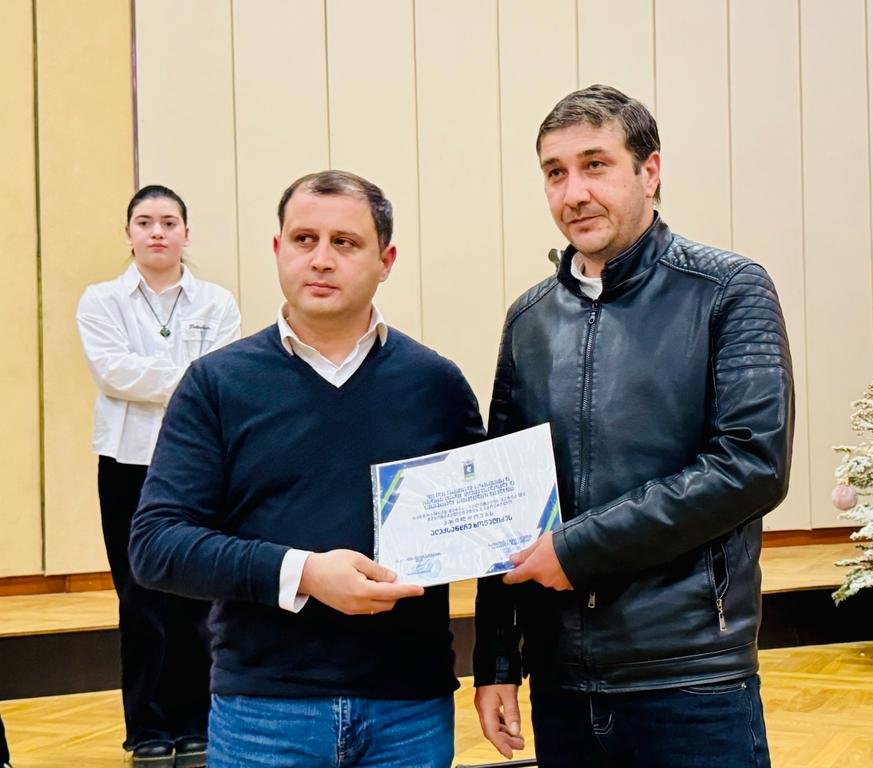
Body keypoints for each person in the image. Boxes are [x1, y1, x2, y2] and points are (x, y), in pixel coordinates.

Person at [473, 84, 795, 768]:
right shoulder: (528, 319)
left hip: (690, 674)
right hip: (561, 680)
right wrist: (496, 659)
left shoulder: (729, 290)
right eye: (555, 173)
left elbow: (751, 466)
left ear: (650, 171)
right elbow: (502, 497)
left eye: (595, 165)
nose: (574, 193)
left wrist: (580, 550)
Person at [129, 170, 484, 768]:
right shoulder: (216, 385)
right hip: (263, 710)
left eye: (345, 242)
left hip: (409, 708)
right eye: (303, 240)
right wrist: (304, 573)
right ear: (277, 249)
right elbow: (157, 544)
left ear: (386, 260)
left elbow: (489, 540)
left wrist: (498, 669)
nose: (321, 259)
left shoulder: (436, 385)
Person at [76, 185, 241, 767]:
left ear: (186, 234)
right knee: (139, 596)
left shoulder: (217, 302)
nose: (157, 232)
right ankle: (146, 727)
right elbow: (113, 372)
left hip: (197, 462)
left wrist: (179, 379)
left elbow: (220, 376)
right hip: (126, 461)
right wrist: (188, 379)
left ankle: (196, 722)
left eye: (169, 222)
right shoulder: (101, 300)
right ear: (128, 233)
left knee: (196, 595)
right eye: (145, 221)